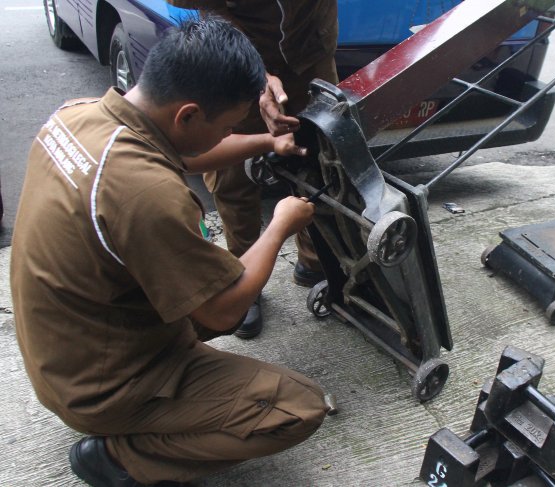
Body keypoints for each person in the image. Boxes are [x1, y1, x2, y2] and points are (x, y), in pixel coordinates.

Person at [11, 17, 328, 486]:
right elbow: (224, 311)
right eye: (223, 127)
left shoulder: (80, 114)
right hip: (99, 390)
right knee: (297, 406)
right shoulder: (146, 194)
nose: (224, 137)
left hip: (62, 354)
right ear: (188, 115)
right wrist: (280, 224)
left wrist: (268, 141)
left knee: (195, 286)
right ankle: (123, 458)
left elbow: (185, 154)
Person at [167, 0, 339, 339]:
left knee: (319, 158)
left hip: (311, 54)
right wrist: (256, 77)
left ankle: (314, 260)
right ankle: (243, 277)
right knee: (231, 176)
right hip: (237, 60)